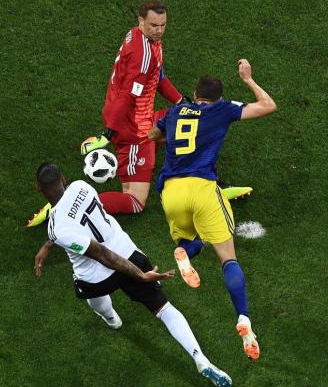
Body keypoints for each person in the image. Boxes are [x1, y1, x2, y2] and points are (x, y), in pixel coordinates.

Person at [26, 0, 251, 227]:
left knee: (195, 117)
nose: (159, 30)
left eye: (163, 25)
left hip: (141, 117)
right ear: (141, 21)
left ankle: (215, 185)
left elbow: (158, 77)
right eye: (154, 25)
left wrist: (181, 101)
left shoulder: (142, 38)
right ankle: (64, 205)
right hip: (134, 130)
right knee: (135, 201)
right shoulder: (142, 55)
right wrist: (108, 134)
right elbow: (127, 96)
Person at [33, 162, 232, 387]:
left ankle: (110, 318)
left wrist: (140, 275)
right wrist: (50, 243)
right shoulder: (82, 186)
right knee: (164, 309)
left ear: (38, 189)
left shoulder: (56, 227)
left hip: (98, 278)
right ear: (64, 177)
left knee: (89, 292)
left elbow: (101, 254)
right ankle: (200, 357)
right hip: (127, 251)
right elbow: (75, 220)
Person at [148, 59, 277, 360]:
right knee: (227, 257)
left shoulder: (174, 111)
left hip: (171, 193)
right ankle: (244, 318)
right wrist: (248, 80)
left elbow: (153, 137)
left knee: (195, 237)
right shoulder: (222, 109)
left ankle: (184, 252)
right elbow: (267, 105)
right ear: (217, 99)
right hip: (203, 189)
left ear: (194, 94)